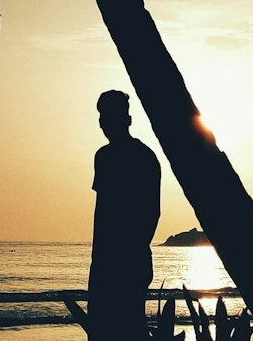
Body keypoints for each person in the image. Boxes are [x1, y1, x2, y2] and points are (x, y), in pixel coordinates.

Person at [88, 89, 161, 340]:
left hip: (128, 260)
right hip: (106, 261)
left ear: (127, 119)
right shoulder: (104, 157)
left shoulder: (143, 157)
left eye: (110, 116)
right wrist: (99, 258)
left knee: (128, 328)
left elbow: (152, 211)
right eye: (102, 117)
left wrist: (132, 249)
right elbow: (102, 212)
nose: (104, 122)